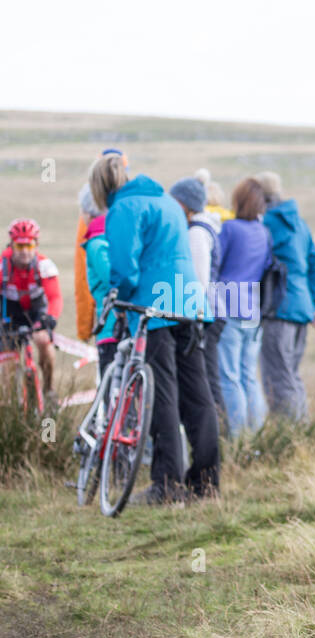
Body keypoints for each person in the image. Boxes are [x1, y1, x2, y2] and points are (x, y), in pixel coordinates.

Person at [91, 153, 221, 503]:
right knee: (198, 395)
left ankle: (167, 484)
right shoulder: (165, 200)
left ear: (101, 188)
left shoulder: (123, 209)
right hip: (190, 303)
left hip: (154, 309)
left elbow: (125, 268)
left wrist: (118, 296)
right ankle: (207, 483)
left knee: (161, 394)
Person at [255, 171, 315, 421]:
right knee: (292, 374)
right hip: (302, 308)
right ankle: (302, 429)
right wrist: (314, 303)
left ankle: (287, 438)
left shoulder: (266, 223)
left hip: (278, 307)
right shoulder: (299, 224)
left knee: (277, 377)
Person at [214, 178, 272, 435]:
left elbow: (216, 263)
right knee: (249, 376)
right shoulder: (264, 232)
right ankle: (257, 436)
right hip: (253, 309)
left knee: (229, 377)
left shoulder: (229, 229)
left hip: (230, 308)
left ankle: (236, 438)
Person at [170, 174, 227, 428]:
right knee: (208, 377)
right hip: (213, 309)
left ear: (185, 205)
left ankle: (217, 433)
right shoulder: (208, 228)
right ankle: (218, 433)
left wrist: (194, 311)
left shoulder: (195, 233)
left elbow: (199, 278)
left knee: (206, 379)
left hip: (205, 311)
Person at [1, 218, 62, 405]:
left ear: (36, 244)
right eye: (20, 247)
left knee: (44, 342)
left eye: (30, 245)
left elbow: (55, 298)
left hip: (36, 313)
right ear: (12, 245)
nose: (25, 252)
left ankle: (49, 389)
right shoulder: (3, 266)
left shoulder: (43, 265)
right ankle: (10, 403)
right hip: (9, 314)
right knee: (8, 366)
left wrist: (50, 319)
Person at [75, 149, 128, 342]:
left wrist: (84, 328)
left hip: (112, 329)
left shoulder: (97, 244)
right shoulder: (122, 231)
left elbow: (112, 282)